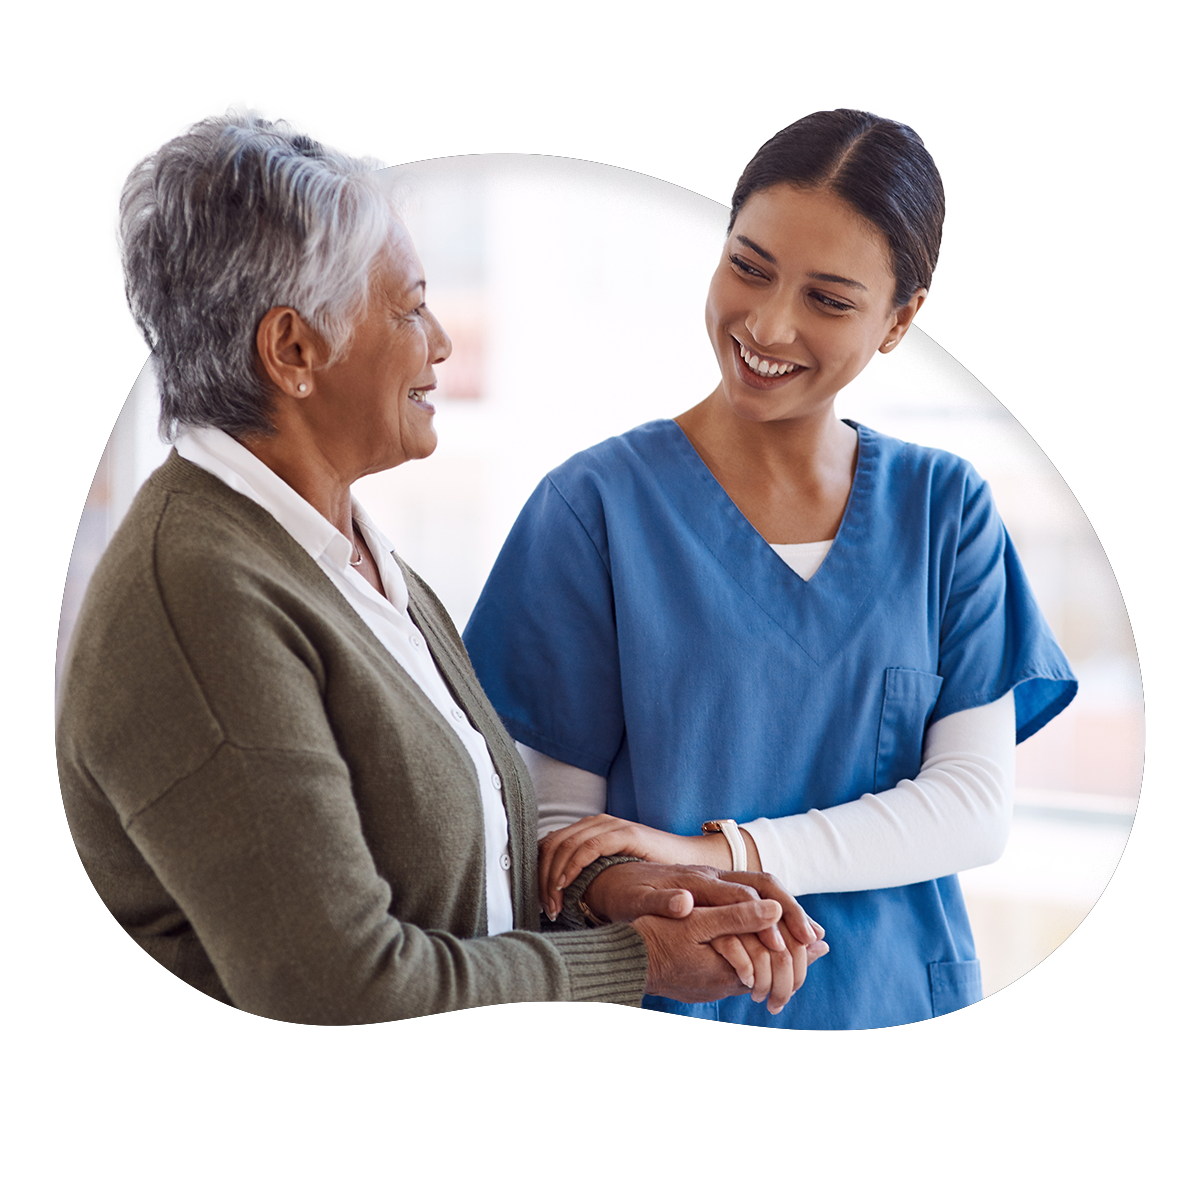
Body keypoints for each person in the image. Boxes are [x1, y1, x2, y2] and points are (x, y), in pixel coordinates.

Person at [55, 100, 828, 1026]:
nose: (442, 340)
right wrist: (632, 960)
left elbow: (451, 881)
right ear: (294, 349)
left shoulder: (343, 552)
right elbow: (340, 988)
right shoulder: (200, 599)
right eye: (412, 305)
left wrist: (612, 895)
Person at [463, 108, 1078, 1030]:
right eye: (748, 266)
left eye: (830, 300)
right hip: (672, 1008)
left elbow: (971, 807)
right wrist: (658, 888)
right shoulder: (592, 509)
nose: (769, 323)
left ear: (899, 320)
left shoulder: (944, 511)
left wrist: (717, 851)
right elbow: (559, 837)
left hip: (899, 1004)